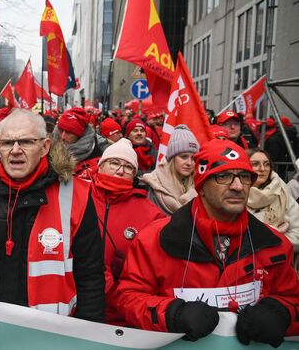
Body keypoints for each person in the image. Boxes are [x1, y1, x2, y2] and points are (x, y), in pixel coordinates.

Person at [115, 139, 299, 346]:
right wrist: (172, 314)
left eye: (245, 177)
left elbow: (291, 297)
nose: (238, 186)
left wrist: (280, 311)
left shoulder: (275, 244)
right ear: (201, 186)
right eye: (224, 176)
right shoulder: (154, 240)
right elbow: (128, 298)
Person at [0, 109, 105, 322]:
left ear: (45, 147)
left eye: (26, 142)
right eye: (8, 143)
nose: (16, 150)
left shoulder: (77, 195)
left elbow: (90, 275)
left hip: (47, 331)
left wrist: (87, 334)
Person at [91, 138, 164, 324]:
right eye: (114, 163)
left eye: (128, 167)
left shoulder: (151, 213)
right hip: (80, 304)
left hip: (121, 310)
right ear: (100, 165)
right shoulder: (78, 196)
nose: (120, 170)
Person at [246, 148, 299, 252]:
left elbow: (297, 233)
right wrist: (276, 232)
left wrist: (274, 242)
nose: (262, 169)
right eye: (255, 164)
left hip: (278, 260)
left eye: (267, 164)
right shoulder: (236, 193)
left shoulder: (281, 190)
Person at [141, 125, 200, 215]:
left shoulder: (200, 185)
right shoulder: (153, 183)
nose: (189, 163)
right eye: (183, 157)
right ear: (172, 158)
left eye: (193, 158)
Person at [54, 107, 109, 181]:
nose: (62, 136)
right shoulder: (48, 150)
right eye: (60, 130)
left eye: (69, 132)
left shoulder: (99, 161)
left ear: (80, 135)